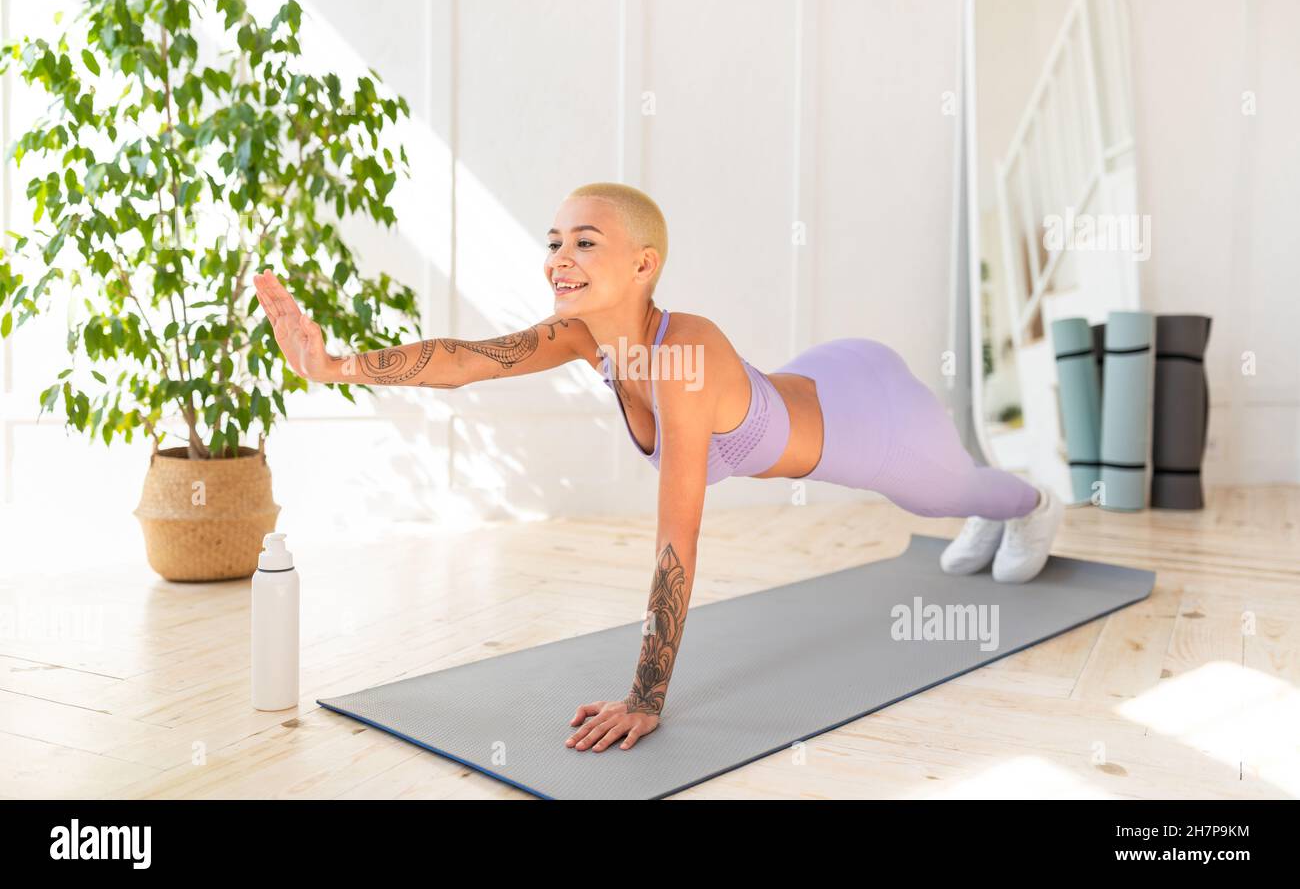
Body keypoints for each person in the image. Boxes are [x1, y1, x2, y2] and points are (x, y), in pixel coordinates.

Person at [252, 181, 1064, 756]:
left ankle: (1027, 504)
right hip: (825, 372)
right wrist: (336, 366)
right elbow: (467, 360)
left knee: (948, 492)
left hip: (871, 422)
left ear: (643, 266)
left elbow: (677, 542)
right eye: (556, 242)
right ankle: (995, 514)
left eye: (586, 242)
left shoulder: (685, 355)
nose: (560, 258)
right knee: (955, 502)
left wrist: (646, 695)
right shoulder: (585, 335)